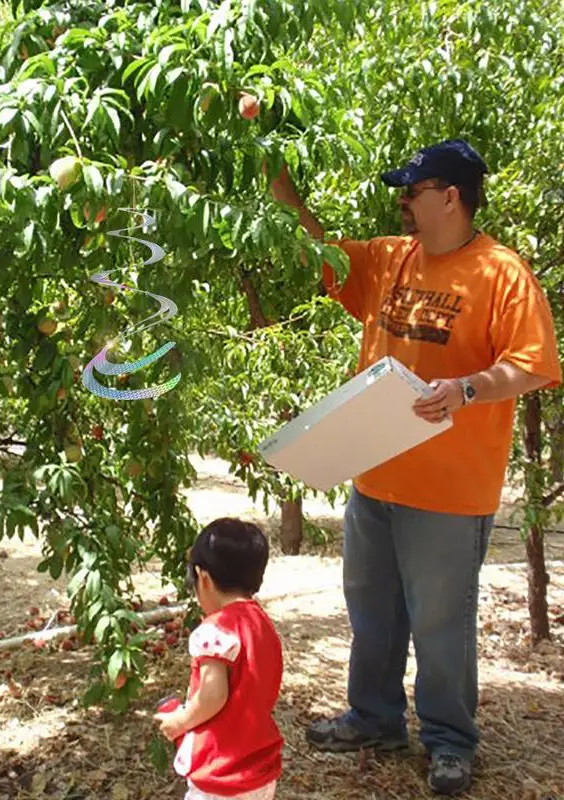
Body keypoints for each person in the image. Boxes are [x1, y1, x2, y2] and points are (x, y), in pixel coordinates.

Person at [267, 138, 562, 796]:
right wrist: (283, 191)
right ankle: (374, 717)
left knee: (439, 622)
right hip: (375, 472)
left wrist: (467, 388)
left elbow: (533, 364)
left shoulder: (500, 272)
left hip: (450, 490)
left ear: (450, 197)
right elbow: (320, 250)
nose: (401, 201)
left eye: (412, 190)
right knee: (371, 609)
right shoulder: (389, 259)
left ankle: (450, 740)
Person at [154, 517, 283, 799]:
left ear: (204, 578)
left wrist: (182, 720)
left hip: (221, 770)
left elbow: (213, 695)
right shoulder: (261, 623)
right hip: (259, 766)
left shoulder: (213, 631)